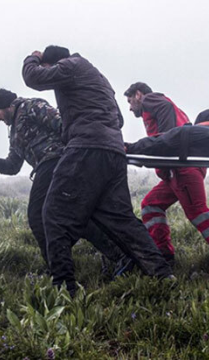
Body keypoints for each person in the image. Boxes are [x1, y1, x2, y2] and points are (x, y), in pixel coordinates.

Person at [22, 46, 173, 296]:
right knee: (121, 219)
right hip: (112, 152)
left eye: (50, 69)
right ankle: (162, 273)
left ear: (54, 63)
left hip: (86, 149)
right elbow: (120, 120)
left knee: (53, 214)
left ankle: (63, 288)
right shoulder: (98, 78)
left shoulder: (71, 66)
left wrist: (33, 58)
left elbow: (33, 78)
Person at [0, 89, 132, 277]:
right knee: (75, 216)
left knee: (37, 215)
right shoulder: (14, 132)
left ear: (8, 105)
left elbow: (63, 124)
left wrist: (80, 153)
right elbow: (13, 165)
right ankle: (119, 255)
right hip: (46, 167)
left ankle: (57, 270)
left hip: (57, 161)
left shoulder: (31, 106)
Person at [123, 82, 209, 279]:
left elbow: (166, 136)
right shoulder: (160, 109)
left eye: (130, 101)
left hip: (183, 168)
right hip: (177, 170)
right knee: (150, 205)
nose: (130, 107)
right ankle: (164, 256)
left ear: (139, 95)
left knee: (198, 212)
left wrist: (162, 140)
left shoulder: (152, 100)